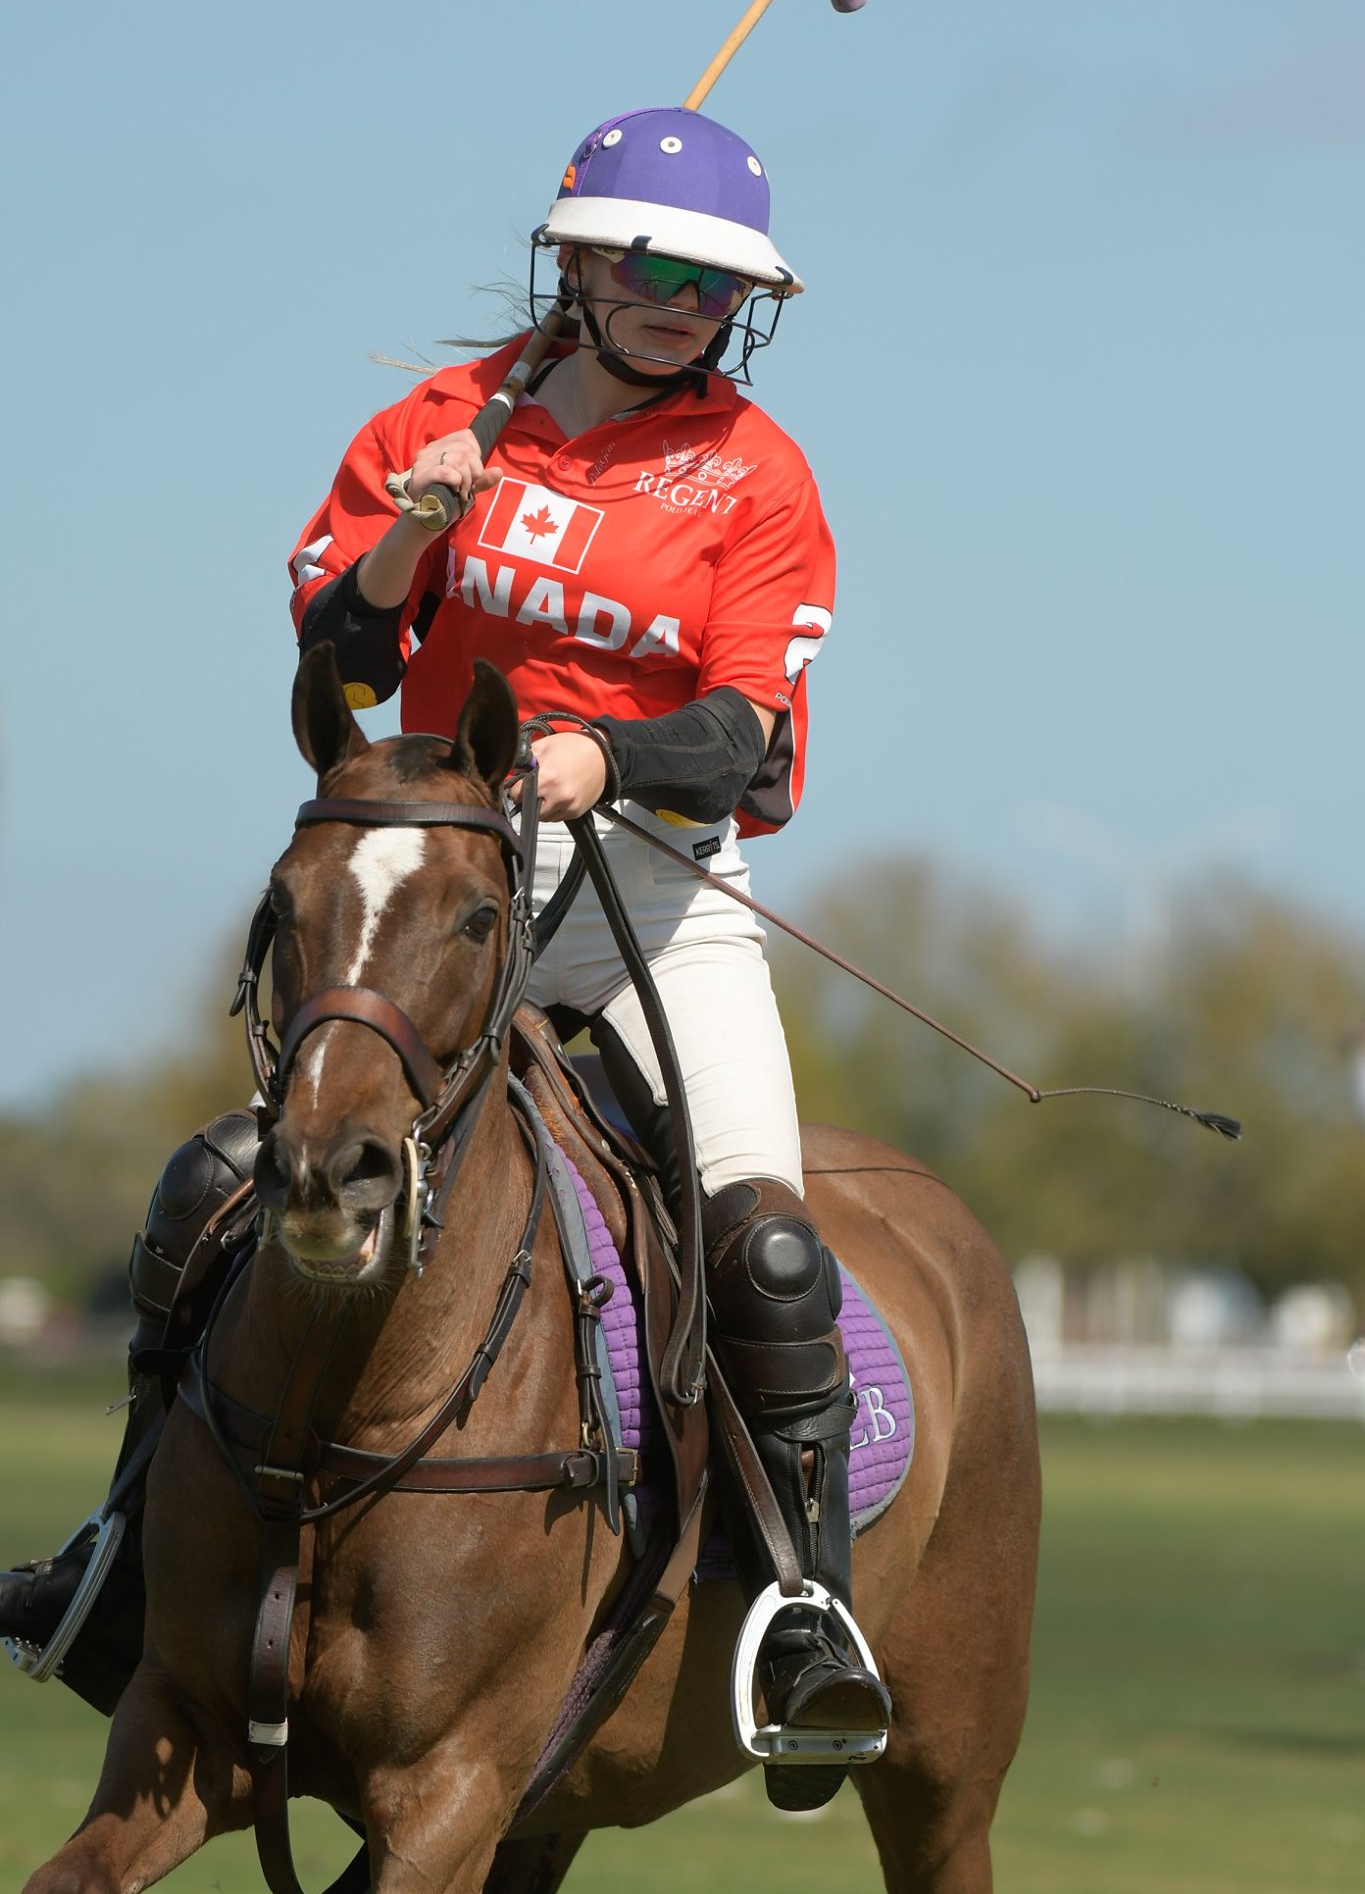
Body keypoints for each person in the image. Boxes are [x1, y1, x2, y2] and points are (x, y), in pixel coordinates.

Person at [1, 106, 890, 1807]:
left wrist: (603, 758)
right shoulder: (435, 421)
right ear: (574, 258)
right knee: (224, 1185)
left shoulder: (753, 472)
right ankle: (117, 1556)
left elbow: (756, 742)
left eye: (712, 284)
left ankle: (800, 1612)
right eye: (647, 264)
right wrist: (414, 533)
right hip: (429, 887)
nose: (679, 303)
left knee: (768, 1254)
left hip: (648, 901)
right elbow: (333, 676)